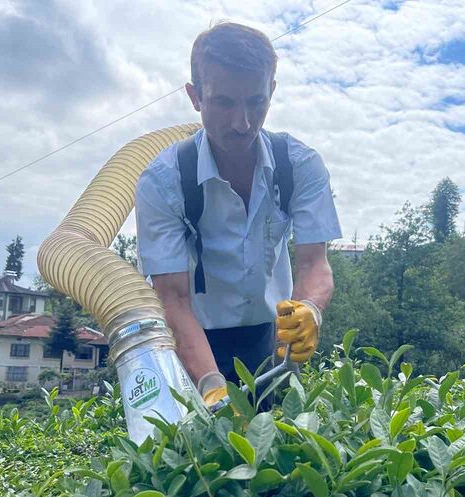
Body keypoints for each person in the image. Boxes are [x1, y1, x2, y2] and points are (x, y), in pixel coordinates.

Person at [135, 21, 341, 409]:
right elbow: (173, 298)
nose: (242, 123)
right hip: (194, 337)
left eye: (256, 102)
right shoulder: (163, 182)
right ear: (195, 97)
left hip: (269, 336)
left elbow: (316, 263)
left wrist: (309, 308)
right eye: (224, 102)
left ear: (272, 92)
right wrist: (211, 384)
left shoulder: (299, 165)